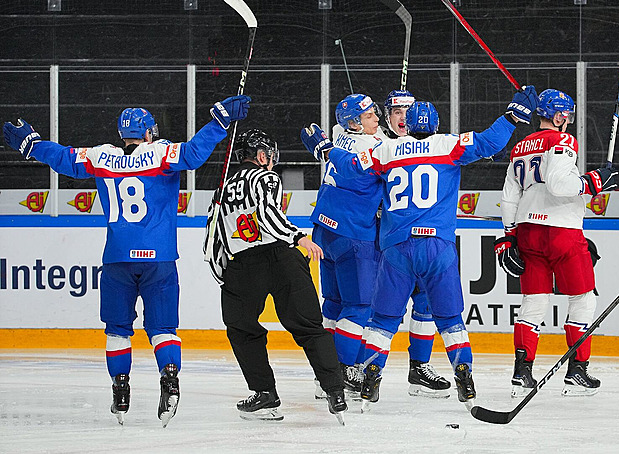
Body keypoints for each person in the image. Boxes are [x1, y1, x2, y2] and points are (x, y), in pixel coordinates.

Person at [2, 94, 250, 427]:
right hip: (159, 259)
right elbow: (193, 154)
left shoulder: (102, 156)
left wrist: (32, 145)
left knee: (117, 330)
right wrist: (220, 120)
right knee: (163, 328)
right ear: (149, 132)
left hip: (118, 258)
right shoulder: (161, 152)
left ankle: (120, 388)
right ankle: (170, 377)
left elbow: (64, 159)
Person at [302, 86, 539, 411]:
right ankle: (463, 373)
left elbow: (353, 167)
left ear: (408, 123)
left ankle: (365, 376)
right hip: (435, 248)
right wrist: (512, 117)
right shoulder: (449, 144)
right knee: (450, 318)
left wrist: (327, 150)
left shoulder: (386, 150)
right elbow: (488, 143)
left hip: (394, 247)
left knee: (381, 320)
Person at [203, 128, 347, 424]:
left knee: (241, 328)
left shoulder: (222, 188)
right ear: (259, 155)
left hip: (242, 265)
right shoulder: (265, 177)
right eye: (268, 153)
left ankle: (264, 392)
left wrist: (223, 275)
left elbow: (213, 236)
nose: (271, 159)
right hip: (282, 256)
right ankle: (335, 390)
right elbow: (268, 213)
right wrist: (296, 237)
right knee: (309, 326)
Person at [494, 88, 619, 398]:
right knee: (583, 298)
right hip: (561, 232)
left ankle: (521, 373)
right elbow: (561, 185)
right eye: (566, 114)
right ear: (559, 115)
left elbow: (509, 196)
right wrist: (593, 181)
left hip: (526, 231)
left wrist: (509, 236)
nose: (568, 120)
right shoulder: (562, 141)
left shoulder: (520, 146)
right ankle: (577, 371)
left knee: (533, 301)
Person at [309, 94, 384, 399]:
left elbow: (321, 142)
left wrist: (322, 146)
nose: (376, 120)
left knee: (334, 304)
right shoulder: (374, 146)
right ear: (355, 122)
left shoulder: (338, 137)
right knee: (360, 306)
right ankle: (339, 373)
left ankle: (322, 375)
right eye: (369, 117)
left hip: (324, 230)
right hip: (353, 233)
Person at [381, 90, 451, 398]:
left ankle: (419, 368)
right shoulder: (380, 147)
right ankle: (358, 373)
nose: (401, 116)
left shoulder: (431, 147)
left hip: (421, 243)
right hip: (388, 243)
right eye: (396, 112)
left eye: (406, 111)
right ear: (388, 117)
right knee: (381, 313)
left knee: (426, 304)